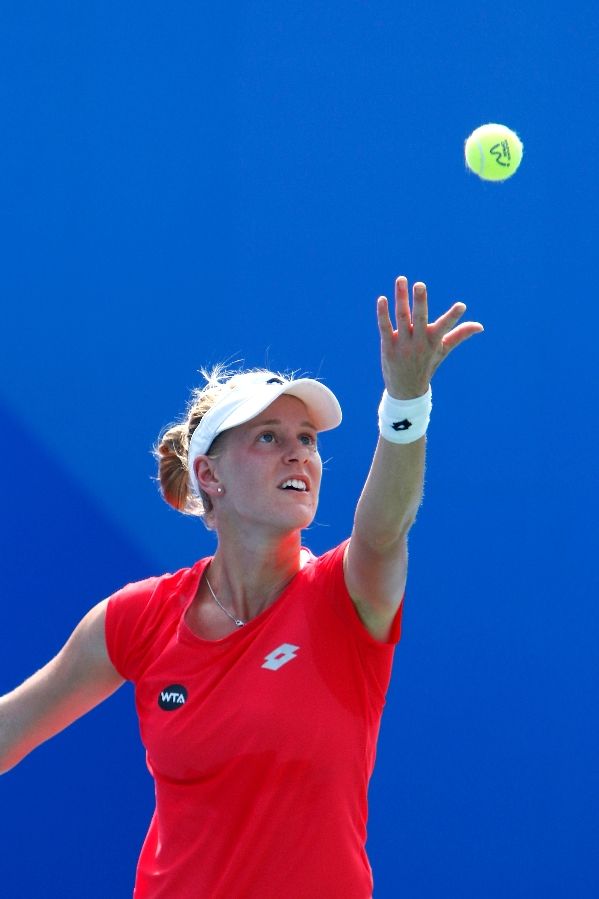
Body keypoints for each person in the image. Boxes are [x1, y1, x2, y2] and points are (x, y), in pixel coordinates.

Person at [0, 276, 483, 898]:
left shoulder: (346, 594)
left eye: (307, 439)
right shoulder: (136, 618)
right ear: (209, 475)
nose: (298, 454)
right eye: (269, 437)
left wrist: (406, 401)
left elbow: (385, 528)